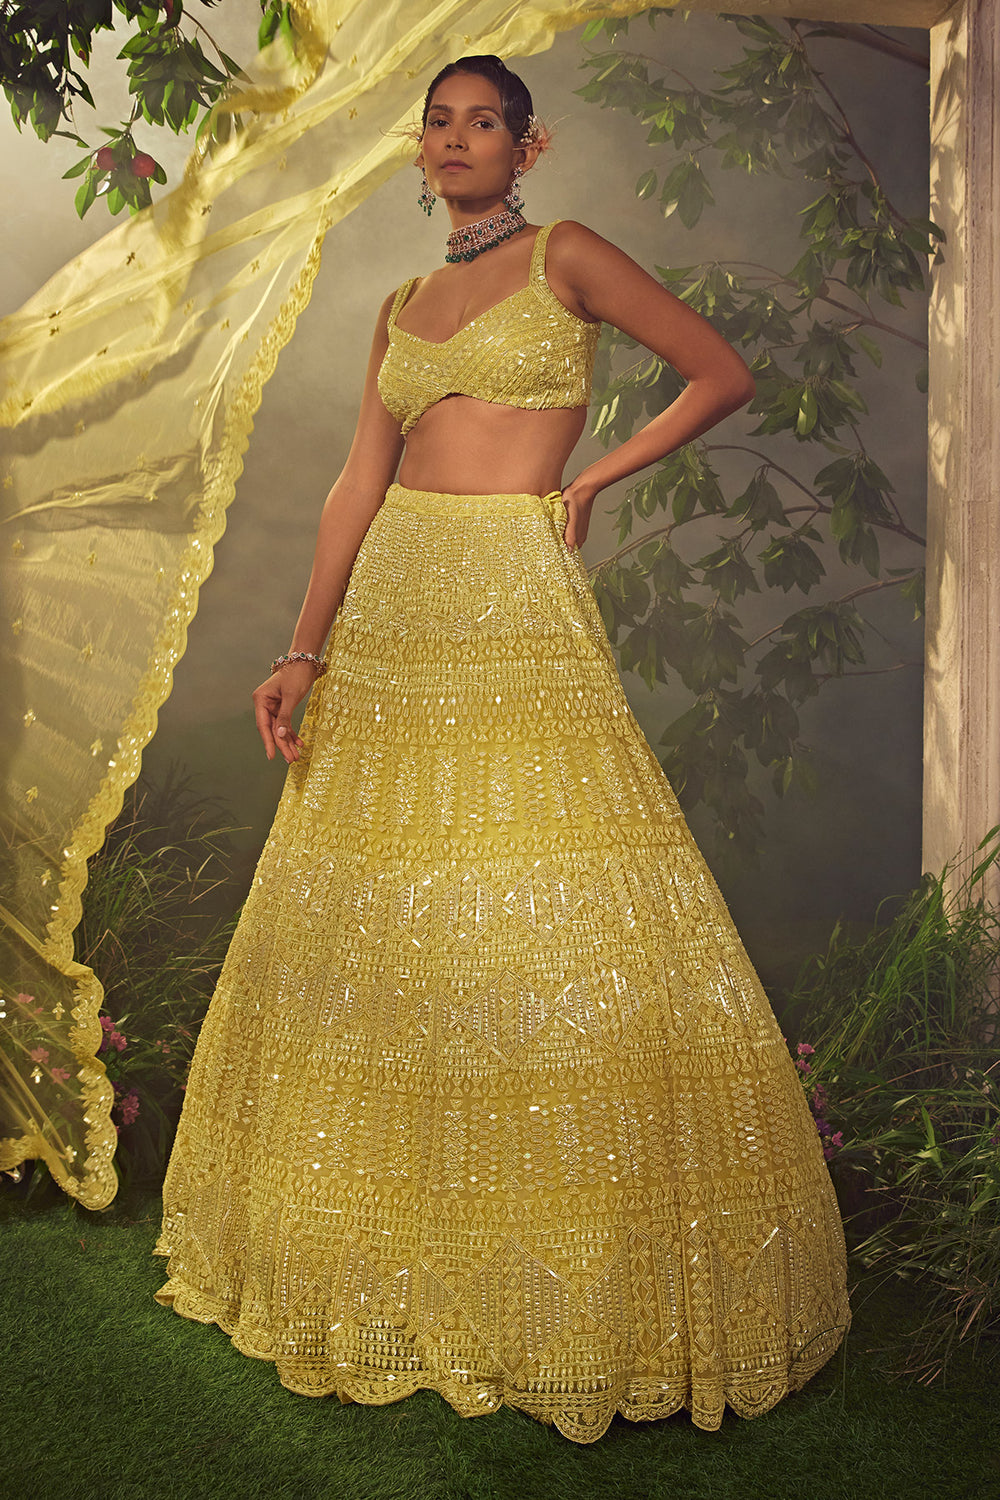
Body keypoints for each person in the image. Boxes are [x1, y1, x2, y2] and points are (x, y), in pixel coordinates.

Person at [153, 54, 850, 1444]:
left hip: (511, 594)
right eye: (440, 122)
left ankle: (562, 1268)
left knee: (546, 893)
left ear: (528, 148)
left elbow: (721, 372)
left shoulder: (567, 256)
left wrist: (590, 479)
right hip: (394, 606)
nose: (457, 139)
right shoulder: (400, 309)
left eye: (484, 122)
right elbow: (359, 479)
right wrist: (302, 648)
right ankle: (378, 1254)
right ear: (421, 152)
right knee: (382, 910)